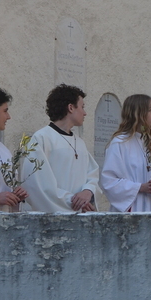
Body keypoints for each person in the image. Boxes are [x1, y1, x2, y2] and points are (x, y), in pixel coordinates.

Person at [22, 84, 100, 213]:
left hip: (80, 215)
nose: (85, 113)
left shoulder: (80, 143)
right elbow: (38, 184)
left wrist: (88, 191)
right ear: (71, 108)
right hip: (54, 216)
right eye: (82, 107)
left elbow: (92, 174)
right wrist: (73, 201)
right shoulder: (42, 138)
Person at [100, 94, 151, 212]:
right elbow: (109, 181)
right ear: (137, 113)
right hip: (131, 209)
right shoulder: (120, 143)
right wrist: (140, 187)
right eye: (150, 110)